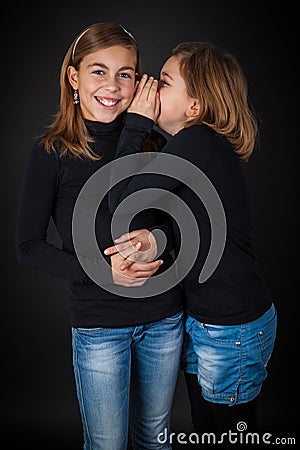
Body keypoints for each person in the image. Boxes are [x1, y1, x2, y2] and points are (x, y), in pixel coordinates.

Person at [16, 22, 185, 450]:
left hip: (164, 318)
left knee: (156, 438)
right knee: (108, 443)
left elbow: (177, 223)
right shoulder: (53, 152)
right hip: (100, 325)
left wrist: (154, 239)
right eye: (98, 71)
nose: (112, 85)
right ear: (74, 77)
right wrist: (102, 272)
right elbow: (29, 246)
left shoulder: (151, 142)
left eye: (125, 73)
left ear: (138, 80)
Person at [105, 41, 277, 437]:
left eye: (163, 82)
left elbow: (122, 202)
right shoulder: (195, 147)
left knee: (228, 433)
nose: (148, 86)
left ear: (194, 108)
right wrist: (154, 235)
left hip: (231, 327)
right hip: (213, 321)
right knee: (208, 428)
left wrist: (135, 123)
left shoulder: (196, 141)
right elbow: (184, 224)